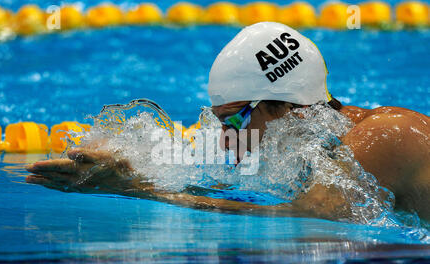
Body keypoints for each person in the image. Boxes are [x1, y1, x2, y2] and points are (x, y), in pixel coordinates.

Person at [26, 22, 429, 221]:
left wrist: (139, 190)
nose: (224, 140)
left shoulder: (386, 136)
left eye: (232, 121)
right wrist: (133, 168)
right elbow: (247, 196)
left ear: (287, 107)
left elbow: (305, 223)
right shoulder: (318, 148)